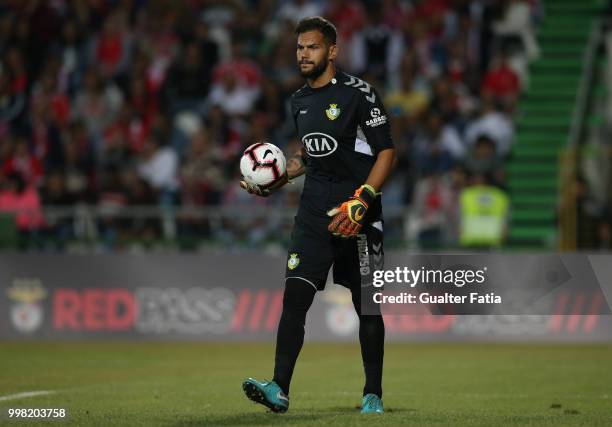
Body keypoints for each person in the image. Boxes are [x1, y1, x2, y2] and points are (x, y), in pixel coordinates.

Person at [239, 16, 396, 414]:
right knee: (294, 298)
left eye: (311, 47)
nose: (303, 54)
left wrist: (363, 198)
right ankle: (278, 387)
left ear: (331, 50)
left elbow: (386, 152)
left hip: (356, 212)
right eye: (299, 48)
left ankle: (372, 393)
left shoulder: (360, 94)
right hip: (313, 213)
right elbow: (311, 154)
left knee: (367, 306)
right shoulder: (299, 100)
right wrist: (275, 180)